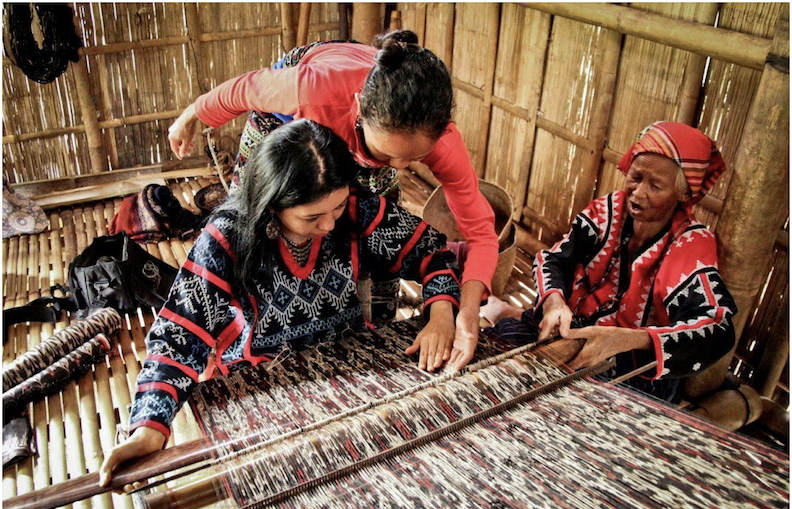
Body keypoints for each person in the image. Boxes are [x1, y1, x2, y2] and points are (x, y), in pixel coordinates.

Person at [99, 119, 461, 485]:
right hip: (262, 387)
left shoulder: (355, 208)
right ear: (272, 205)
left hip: (349, 371)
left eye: (336, 209)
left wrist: (442, 314)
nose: (329, 225)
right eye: (311, 217)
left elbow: (431, 251)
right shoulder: (228, 238)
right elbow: (179, 337)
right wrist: (149, 430)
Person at [167, 30, 498, 372]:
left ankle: (367, 327)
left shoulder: (440, 142)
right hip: (293, 120)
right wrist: (191, 116)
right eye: (387, 154)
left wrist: (462, 313)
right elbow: (242, 90)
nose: (399, 167)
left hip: (355, 122)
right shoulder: (311, 90)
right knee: (249, 228)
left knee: (378, 229)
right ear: (360, 110)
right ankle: (235, 337)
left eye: (414, 158)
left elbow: (482, 236)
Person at [483, 122, 737, 401]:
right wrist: (554, 302)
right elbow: (553, 260)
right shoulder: (609, 211)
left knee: (574, 402)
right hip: (571, 333)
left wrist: (626, 339)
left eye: (655, 186)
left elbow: (718, 331)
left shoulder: (689, 244)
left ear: (685, 194)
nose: (638, 193)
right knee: (499, 341)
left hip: (630, 367)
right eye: (635, 177)